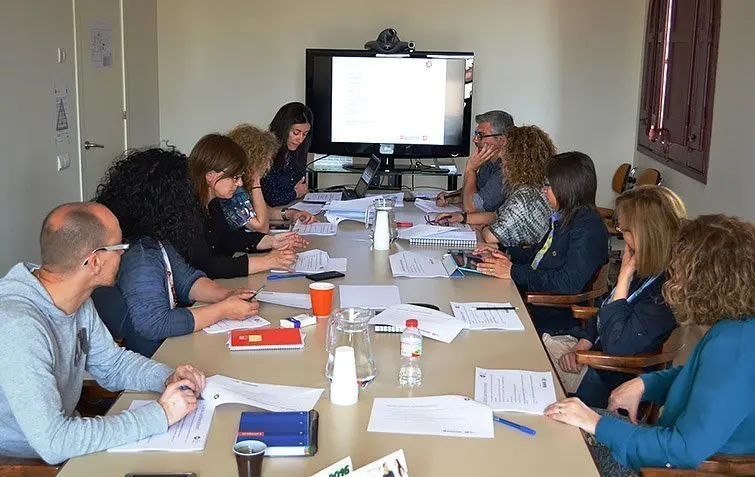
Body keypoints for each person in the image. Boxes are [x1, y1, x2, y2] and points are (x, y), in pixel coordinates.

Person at [544, 214, 755, 475]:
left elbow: (683, 451)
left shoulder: (734, 345)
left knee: (555, 444)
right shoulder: (736, 329)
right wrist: (646, 384)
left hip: (666, 467)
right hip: (662, 448)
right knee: (559, 422)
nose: (673, 282)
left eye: (678, 273)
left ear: (707, 281)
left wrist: (596, 424)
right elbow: (699, 378)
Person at [0, 202, 204, 464]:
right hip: (28, 462)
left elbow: (112, 364)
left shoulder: (76, 300)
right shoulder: (18, 326)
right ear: (95, 261)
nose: (124, 255)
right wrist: (161, 415)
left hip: (70, 444)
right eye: (121, 248)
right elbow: (54, 442)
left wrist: (168, 378)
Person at [544, 186, 684, 407]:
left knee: (532, 356)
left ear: (645, 234)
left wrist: (624, 277)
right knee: (530, 348)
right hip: (591, 357)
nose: (620, 233)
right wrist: (582, 343)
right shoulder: (648, 269)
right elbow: (604, 309)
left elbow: (616, 346)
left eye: (625, 230)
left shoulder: (664, 294)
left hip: (609, 381)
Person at [94, 144, 303, 280]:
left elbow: (228, 239)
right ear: (211, 176)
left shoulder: (211, 201)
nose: (239, 184)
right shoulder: (184, 210)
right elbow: (207, 265)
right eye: (235, 177)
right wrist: (267, 261)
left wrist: (270, 242)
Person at [474, 152, 609, 334]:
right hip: (532, 300)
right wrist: (502, 252)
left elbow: (568, 283)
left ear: (565, 187)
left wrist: (513, 271)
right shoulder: (565, 217)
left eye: (548, 185)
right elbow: (538, 255)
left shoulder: (588, 229)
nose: (543, 190)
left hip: (550, 317)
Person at [92, 236, 261, 358]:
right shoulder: (139, 255)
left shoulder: (156, 242)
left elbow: (187, 280)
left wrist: (226, 295)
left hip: (170, 346)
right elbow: (155, 323)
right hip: (153, 354)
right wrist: (223, 310)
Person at [433, 125, 555, 247]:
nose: (502, 158)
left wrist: (485, 228)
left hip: (521, 259)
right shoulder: (532, 186)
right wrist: (462, 218)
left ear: (518, 160)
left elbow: (490, 236)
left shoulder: (525, 196)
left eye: (506, 154)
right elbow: (497, 215)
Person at [223, 124, 318, 233]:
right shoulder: (232, 188)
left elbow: (264, 211)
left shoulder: (244, 183)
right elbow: (261, 227)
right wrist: (255, 182)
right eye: (266, 160)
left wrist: (292, 213)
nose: (267, 166)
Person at [435, 110, 513, 212]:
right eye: (475, 134)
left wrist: (470, 169)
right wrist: (451, 197)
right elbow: (474, 192)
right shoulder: (488, 161)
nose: (475, 140)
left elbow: (473, 208)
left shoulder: (509, 169)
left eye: (480, 135)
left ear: (501, 140)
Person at [261, 102, 313, 206]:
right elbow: (272, 198)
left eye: (305, 134)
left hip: (292, 205)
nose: (300, 139)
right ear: (283, 128)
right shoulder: (266, 150)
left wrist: (295, 192)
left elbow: (300, 184)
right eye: (296, 133)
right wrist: (295, 193)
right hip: (272, 212)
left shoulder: (298, 149)